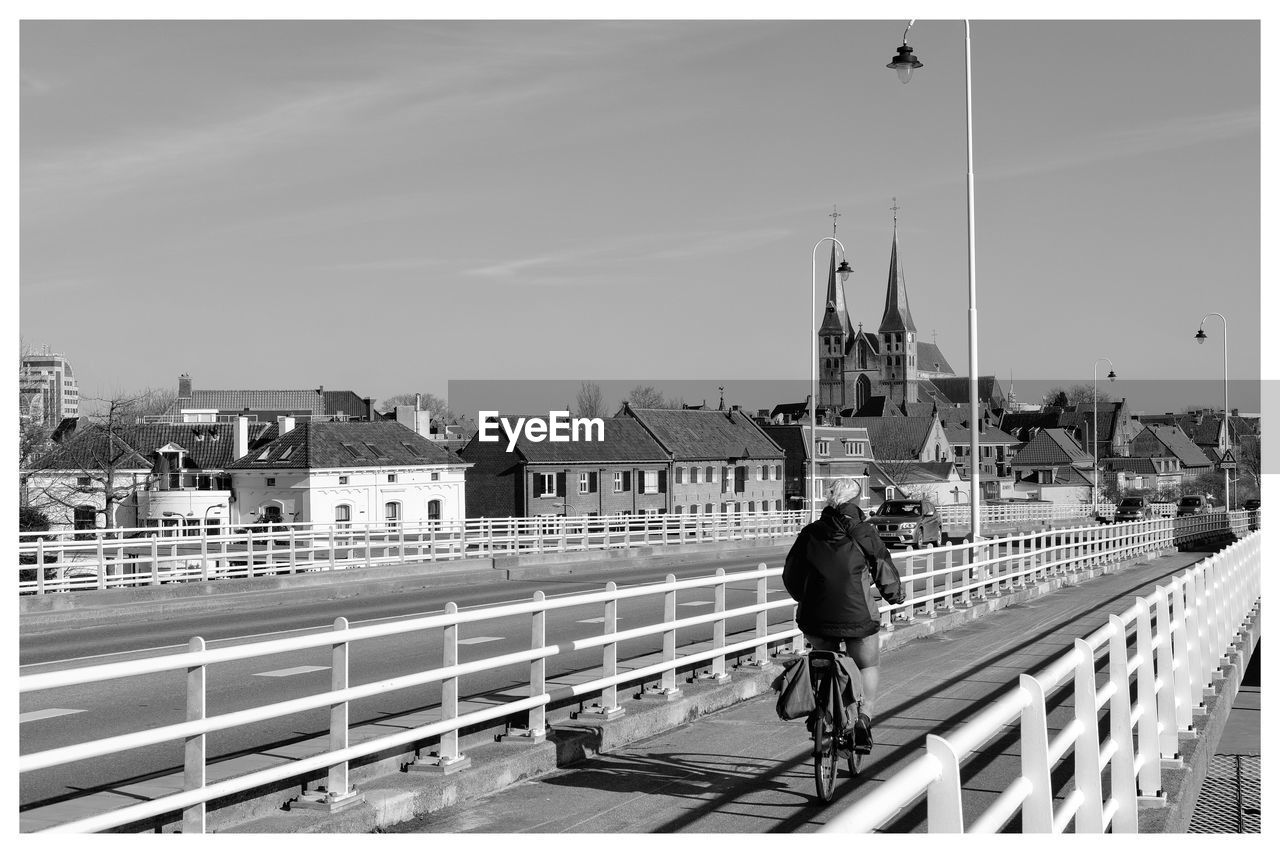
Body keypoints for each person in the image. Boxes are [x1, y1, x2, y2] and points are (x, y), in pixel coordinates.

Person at [782, 478, 906, 753]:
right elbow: (883, 568)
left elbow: (791, 574)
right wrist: (896, 597)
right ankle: (863, 719)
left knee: (821, 659)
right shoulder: (865, 532)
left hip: (815, 616)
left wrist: (805, 598)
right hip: (857, 617)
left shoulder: (810, 532)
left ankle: (821, 712)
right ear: (856, 502)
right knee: (867, 665)